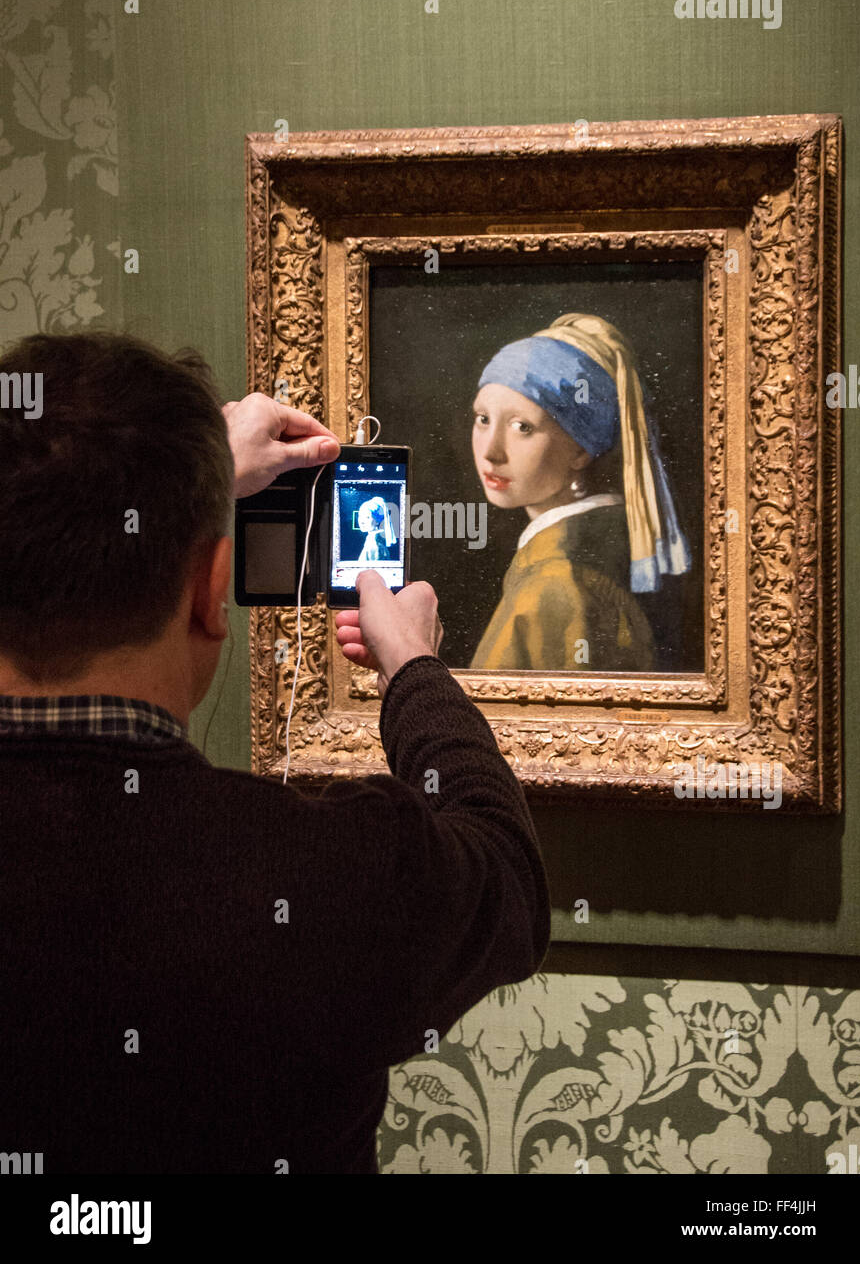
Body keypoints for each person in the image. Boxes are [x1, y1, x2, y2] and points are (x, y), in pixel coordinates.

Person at [0, 330, 550, 1175]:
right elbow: (505, 873)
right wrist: (415, 669)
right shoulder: (330, 873)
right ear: (212, 593)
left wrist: (164, 480)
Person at [470, 312, 691, 672]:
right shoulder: (601, 549)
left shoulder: (555, 582)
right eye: (483, 419)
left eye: (522, 426)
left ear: (581, 449)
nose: (491, 450)